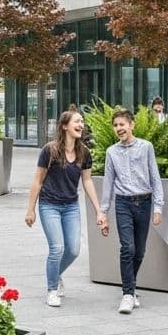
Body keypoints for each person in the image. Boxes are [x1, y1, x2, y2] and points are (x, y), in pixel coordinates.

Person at [25, 110, 106, 307]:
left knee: (74, 249)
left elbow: (87, 182)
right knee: (57, 248)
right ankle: (52, 289)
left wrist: (99, 211)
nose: (81, 124)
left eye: (82, 122)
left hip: (70, 206)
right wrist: (31, 210)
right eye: (77, 121)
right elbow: (37, 181)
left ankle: (56, 273)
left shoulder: (84, 152)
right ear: (64, 126)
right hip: (49, 205)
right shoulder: (50, 150)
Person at [98, 107, 164, 314]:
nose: (119, 128)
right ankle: (127, 294)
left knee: (140, 250)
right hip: (123, 203)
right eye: (116, 125)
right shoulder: (112, 152)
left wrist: (158, 207)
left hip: (144, 203)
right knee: (128, 248)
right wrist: (103, 212)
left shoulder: (146, 147)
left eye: (122, 124)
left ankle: (131, 287)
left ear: (131, 125)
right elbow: (108, 182)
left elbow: (155, 177)